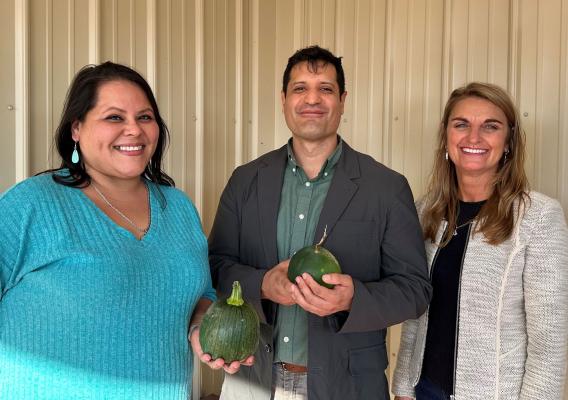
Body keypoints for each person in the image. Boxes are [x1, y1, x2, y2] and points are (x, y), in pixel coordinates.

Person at [196, 45, 432, 400]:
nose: (312, 99)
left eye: (325, 88)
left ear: (342, 100)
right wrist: (262, 284)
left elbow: (415, 291)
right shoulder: (246, 181)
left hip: (348, 386)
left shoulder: (386, 187)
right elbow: (214, 268)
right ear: (283, 99)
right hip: (252, 381)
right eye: (300, 88)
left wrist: (355, 298)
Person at [0, 62, 216, 399]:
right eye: (114, 117)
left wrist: (202, 325)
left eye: (145, 117)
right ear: (76, 128)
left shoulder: (178, 208)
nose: (134, 130)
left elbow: (202, 294)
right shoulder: (32, 204)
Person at [392, 82, 568, 399]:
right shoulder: (425, 212)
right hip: (425, 390)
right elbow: (416, 315)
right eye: (462, 125)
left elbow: (549, 343)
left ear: (508, 141)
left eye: (490, 126)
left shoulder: (539, 217)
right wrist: (404, 387)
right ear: (446, 136)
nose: (474, 138)